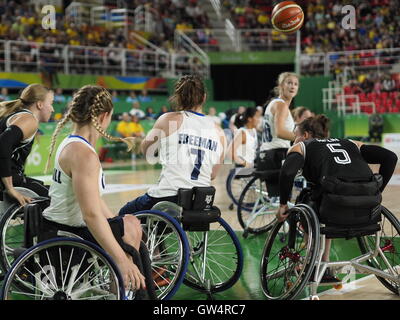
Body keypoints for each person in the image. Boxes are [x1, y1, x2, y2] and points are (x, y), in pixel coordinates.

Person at [42, 85, 148, 293]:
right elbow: (90, 214)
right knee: (131, 231)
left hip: (60, 224)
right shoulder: (83, 154)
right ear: (104, 116)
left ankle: (118, 283)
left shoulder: (72, 144)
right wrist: (122, 260)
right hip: (70, 231)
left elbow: (93, 200)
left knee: (130, 223)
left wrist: (115, 222)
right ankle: (121, 283)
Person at [277, 115, 398, 281]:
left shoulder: (301, 147)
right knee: (324, 195)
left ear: (304, 135)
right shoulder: (351, 143)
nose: (294, 139)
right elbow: (391, 158)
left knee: (308, 199)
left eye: (295, 135)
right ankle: (324, 263)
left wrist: (283, 204)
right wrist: (377, 193)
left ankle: (315, 263)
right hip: (368, 210)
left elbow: (287, 173)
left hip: (333, 212)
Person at [119, 75, 226, 214]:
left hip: (168, 197)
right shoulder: (219, 132)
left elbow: (147, 152)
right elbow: (212, 175)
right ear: (204, 97)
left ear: (178, 97)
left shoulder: (168, 119)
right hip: (200, 201)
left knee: (123, 215)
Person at [0, 83, 54, 206]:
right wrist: (10, 188)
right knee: (57, 201)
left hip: (10, 177)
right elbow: (3, 144)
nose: (52, 109)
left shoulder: (18, 115)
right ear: (39, 104)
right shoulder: (29, 119)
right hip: (8, 180)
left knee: (45, 189)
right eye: (51, 103)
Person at [258, 72, 299, 198]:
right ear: (281, 85)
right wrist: (301, 138)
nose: (292, 86)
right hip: (276, 155)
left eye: (296, 84)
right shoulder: (280, 105)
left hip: (266, 155)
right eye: (289, 83)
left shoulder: (274, 103)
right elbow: (279, 132)